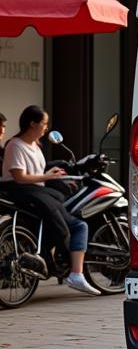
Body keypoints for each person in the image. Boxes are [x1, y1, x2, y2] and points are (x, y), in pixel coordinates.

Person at [1, 105, 99, 295]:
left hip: (36, 192)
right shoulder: (15, 145)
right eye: (44, 123)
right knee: (77, 224)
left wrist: (49, 174)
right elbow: (20, 177)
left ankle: (63, 262)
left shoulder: (35, 146)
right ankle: (75, 273)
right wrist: (48, 177)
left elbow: (34, 174)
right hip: (23, 192)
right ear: (32, 123)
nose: (46, 127)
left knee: (67, 211)